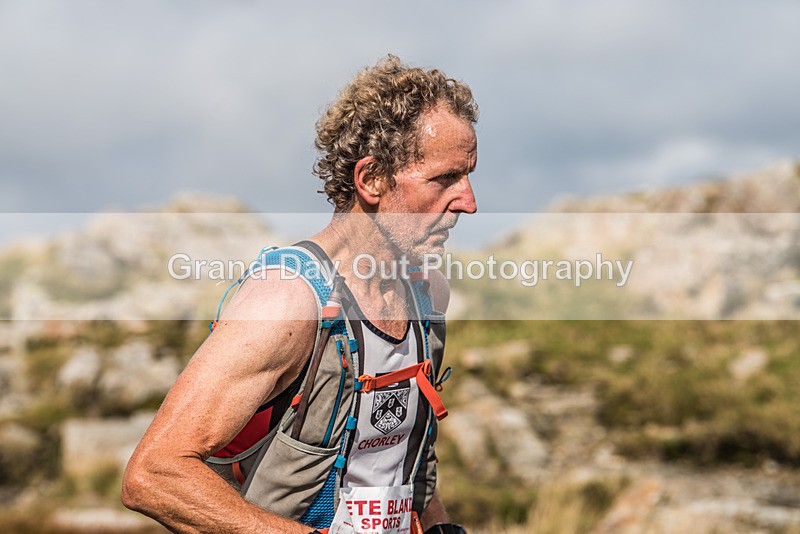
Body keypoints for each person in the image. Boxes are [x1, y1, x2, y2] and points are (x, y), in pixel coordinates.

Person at [122, 55, 478, 534]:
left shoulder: (428, 294)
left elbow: (394, 464)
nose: (469, 202)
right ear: (371, 179)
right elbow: (153, 475)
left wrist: (436, 526)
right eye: (444, 179)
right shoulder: (288, 301)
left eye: (469, 174)